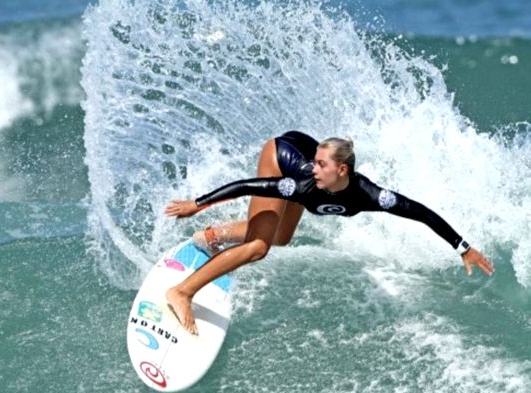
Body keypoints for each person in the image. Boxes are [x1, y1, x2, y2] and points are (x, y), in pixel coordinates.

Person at [164, 131, 495, 335]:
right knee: (259, 246)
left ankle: (213, 236)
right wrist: (198, 203)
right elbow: (247, 186)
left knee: (281, 237)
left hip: (300, 152)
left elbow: (418, 211)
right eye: (316, 162)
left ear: (342, 170)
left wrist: (463, 248)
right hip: (280, 155)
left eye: (322, 164)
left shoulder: (369, 195)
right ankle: (182, 292)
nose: (315, 168)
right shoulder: (302, 183)